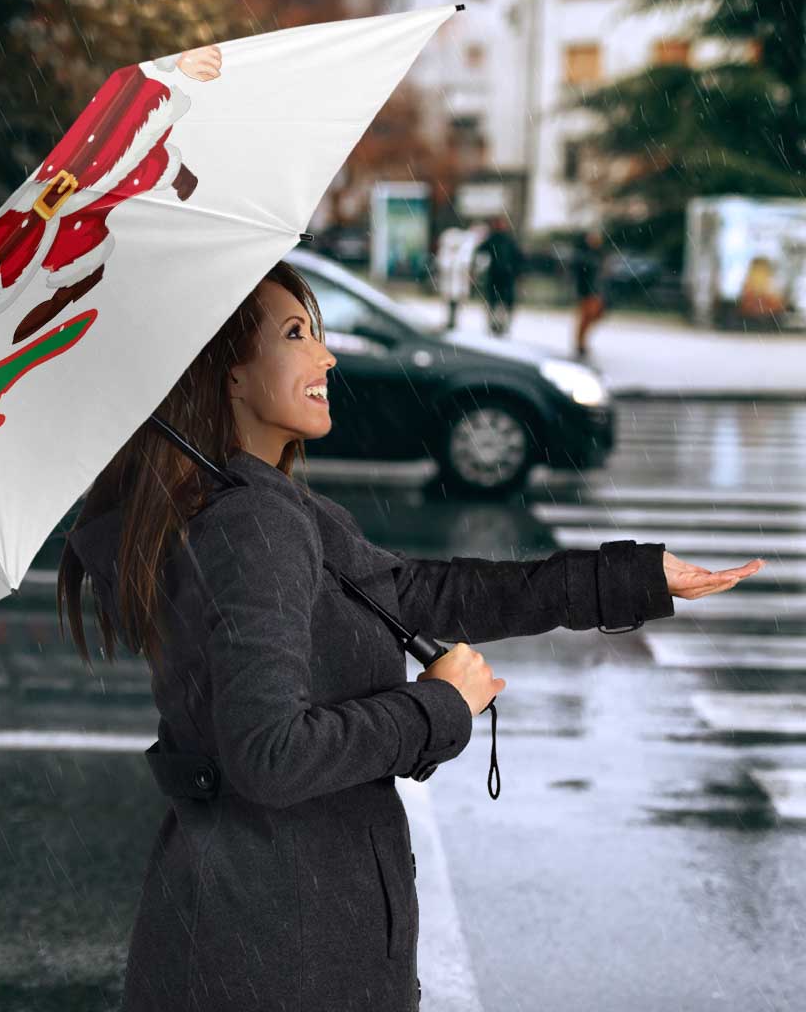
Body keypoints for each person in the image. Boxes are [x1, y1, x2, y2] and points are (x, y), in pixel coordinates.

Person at [56, 259, 763, 1012]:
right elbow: (270, 755)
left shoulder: (253, 506)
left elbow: (420, 594)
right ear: (228, 373)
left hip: (256, 928)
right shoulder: (253, 524)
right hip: (283, 950)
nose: (326, 356)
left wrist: (631, 579)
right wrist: (438, 707)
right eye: (296, 335)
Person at [474, 214, 524, 337]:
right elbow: (480, 251)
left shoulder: (506, 240)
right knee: (496, 302)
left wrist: (517, 272)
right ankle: (495, 325)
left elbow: (518, 258)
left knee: (501, 303)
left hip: (504, 277)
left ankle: (501, 325)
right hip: (498, 276)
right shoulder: (496, 239)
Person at [572, 227, 608, 358]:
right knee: (586, 317)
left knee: (594, 315)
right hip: (587, 291)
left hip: (596, 291)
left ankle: (581, 342)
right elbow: (581, 274)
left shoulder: (598, 254)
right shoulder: (584, 255)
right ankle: (580, 343)